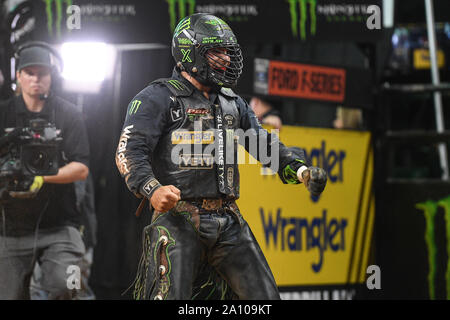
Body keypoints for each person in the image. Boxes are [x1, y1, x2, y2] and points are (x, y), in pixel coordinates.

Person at [115, 13, 327, 300]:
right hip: (179, 219)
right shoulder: (157, 97)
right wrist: (152, 189)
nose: (226, 58)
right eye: (216, 51)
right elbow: (129, 151)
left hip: (229, 219)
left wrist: (299, 170)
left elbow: (261, 141)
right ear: (191, 54)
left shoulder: (232, 102)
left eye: (228, 51)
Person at [0, 42, 90, 299]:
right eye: (29, 73)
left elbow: (81, 168)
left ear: (52, 76)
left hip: (60, 225)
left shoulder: (69, 113)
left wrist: (41, 176)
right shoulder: (3, 114)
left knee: (69, 285)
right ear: (18, 75)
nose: (36, 79)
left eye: (43, 73)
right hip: (9, 227)